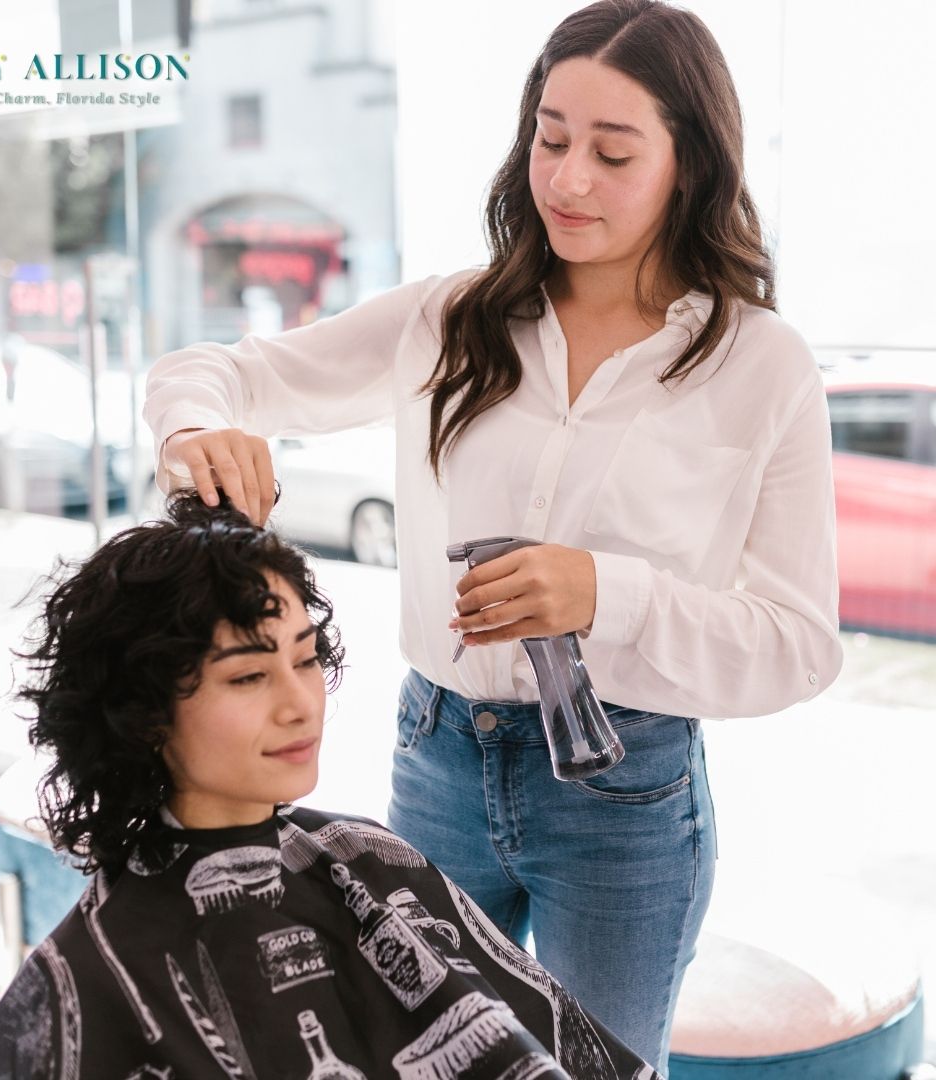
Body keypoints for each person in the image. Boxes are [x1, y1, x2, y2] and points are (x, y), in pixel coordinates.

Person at [141, 0, 843, 1071]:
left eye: (612, 154)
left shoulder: (762, 366)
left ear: (690, 166)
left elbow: (800, 644)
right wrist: (197, 425)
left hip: (625, 796)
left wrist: (608, 594)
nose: (565, 181)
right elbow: (221, 372)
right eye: (550, 139)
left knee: (597, 1066)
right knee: (414, 1057)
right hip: (437, 762)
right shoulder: (447, 321)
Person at [0, 491, 660, 1080]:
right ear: (141, 714)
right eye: (248, 677)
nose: (300, 703)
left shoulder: (362, 856)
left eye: (305, 660)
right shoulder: (85, 982)